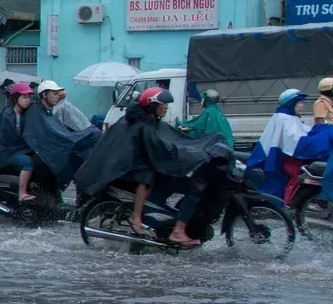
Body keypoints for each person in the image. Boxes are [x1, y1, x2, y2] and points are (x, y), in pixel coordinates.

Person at [73, 87, 229, 247]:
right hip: (131, 170)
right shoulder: (143, 126)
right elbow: (164, 149)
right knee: (147, 177)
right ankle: (140, 219)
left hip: (139, 164)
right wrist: (195, 155)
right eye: (164, 104)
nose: (167, 107)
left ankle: (164, 221)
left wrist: (198, 148)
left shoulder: (148, 121)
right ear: (152, 105)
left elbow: (173, 140)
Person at [24, 81, 100, 192]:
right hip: (44, 154)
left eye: (57, 93)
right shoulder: (36, 112)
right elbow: (53, 135)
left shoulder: (49, 112)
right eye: (54, 93)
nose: (57, 96)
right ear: (44, 95)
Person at [246, 88, 308, 199]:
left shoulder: (291, 117)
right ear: (291, 103)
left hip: (284, 157)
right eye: (300, 102)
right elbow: (292, 140)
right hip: (278, 158)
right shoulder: (283, 118)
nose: (302, 106)